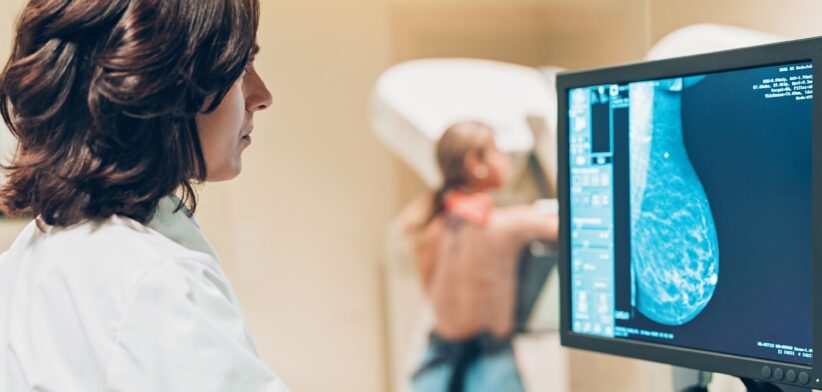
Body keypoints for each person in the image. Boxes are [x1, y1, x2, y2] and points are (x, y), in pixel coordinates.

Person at [0, 0, 288, 390]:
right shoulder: (152, 280)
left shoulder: (33, 255)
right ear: (158, 82)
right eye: (239, 68)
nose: (262, 95)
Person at [412, 121, 558, 392]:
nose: (506, 160)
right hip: (489, 369)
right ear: (474, 162)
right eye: (498, 152)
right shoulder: (505, 225)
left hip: (436, 365)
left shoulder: (426, 224)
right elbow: (573, 229)